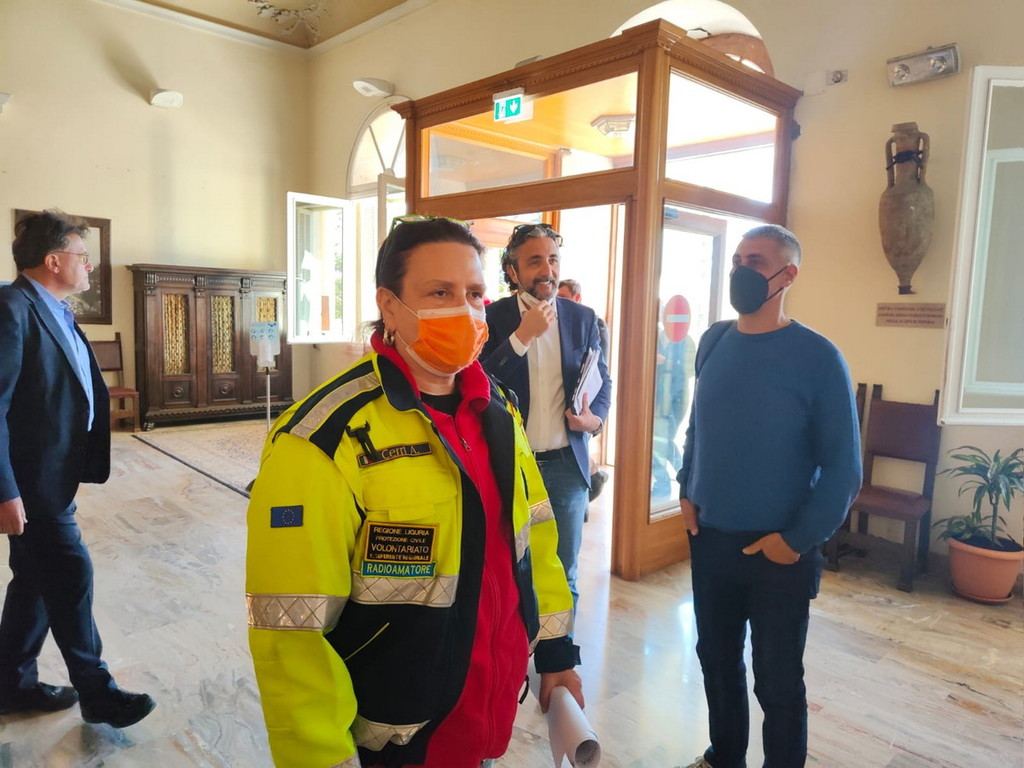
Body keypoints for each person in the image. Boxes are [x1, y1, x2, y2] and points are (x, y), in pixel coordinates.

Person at [246, 216, 583, 768]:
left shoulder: (498, 411)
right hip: (388, 743)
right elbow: (291, 632)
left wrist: (555, 652)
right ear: (390, 304)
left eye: (473, 293)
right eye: (439, 293)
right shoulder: (323, 439)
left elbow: (535, 543)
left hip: (485, 719)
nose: (466, 311)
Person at [676, 224, 861, 768]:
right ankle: (724, 756)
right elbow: (697, 427)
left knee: (777, 683)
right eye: (737, 259)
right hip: (711, 540)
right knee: (716, 662)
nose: (741, 270)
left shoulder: (818, 357)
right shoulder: (714, 341)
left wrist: (796, 541)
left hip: (779, 553)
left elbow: (844, 469)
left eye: (755, 261)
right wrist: (687, 487)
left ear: (787, 274)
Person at [0, 210, 156, 727]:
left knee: (34, 579)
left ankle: (11, 685)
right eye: (82, 256)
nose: (89, 266)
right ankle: (98, 692)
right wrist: (4, 490)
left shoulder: (54, 309)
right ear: (53, 261)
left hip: (53, 473)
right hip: (31, 481)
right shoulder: (11, 308)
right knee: (70, 573)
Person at [481, 224, 612, 613]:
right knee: (510, 571)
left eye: (553, 259)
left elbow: (602, 382)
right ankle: (518, 649)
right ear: (513, 270)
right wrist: (522, 337)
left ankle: (560, 649)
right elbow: (480, 384)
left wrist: (594, 421)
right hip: (509, 468)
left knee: (564, 571)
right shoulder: (490, 318)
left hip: (565, 466)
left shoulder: (582, 318)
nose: (547, 270)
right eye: (535, 261)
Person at [556, 278, 610, 503]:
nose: (558, 302)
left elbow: (600, 374)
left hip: (583, 410)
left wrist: (594, 421)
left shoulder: (593, 324)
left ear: (577, 298)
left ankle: (594, 480)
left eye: (563, 297)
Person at [651, 324, 695, 501]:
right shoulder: (655, 338)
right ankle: (675, 479)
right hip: (656, 400)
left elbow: (690, 369)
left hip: (676, 400)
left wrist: (665, 361)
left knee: (663, 440)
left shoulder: (686, 341)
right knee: (657, 441)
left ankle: (683, 476)